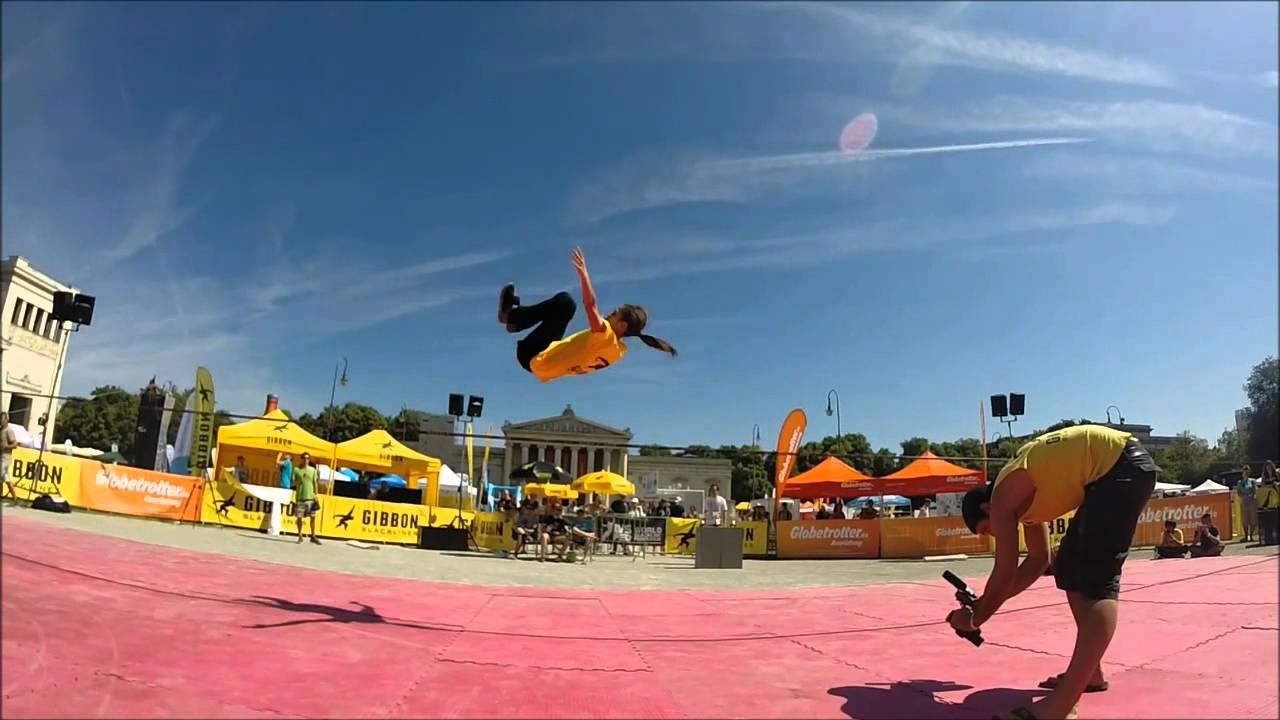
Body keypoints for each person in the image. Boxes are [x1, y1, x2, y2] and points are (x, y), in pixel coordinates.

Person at [956, 425, 1157, 720]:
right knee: (1069, 565)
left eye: (988, 529)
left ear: (987, 508)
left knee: (1096, 577)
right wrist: (984, 603)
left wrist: (974, 618)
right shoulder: (1025, 503)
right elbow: (1039, 560)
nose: (995, 535)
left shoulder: (1003, 496)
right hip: (1117, 467)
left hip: (1119, 466)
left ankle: (1060, 706)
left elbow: (1005, 570)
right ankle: (1092, 673)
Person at [497, 247, 676, 383]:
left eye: (615, 314)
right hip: (543, 365)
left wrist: (584, 276)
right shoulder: (617, 352)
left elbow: (590, 306)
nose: (608, 314)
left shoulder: (606, 338)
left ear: (622, 326)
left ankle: (512, 316)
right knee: (564, 309)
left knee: (566, 303)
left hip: (533, 355)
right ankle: (514, 321)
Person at [291, 452, 321, 545]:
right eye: (304, 458)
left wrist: (316, 494)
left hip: (310, 497)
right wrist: (298, 481)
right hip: (300, 496)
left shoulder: (312, 470)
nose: (306, 460)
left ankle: (313, 535)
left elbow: (315, 482)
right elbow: (293, 483)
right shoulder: (296, 470)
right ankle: (300, 535)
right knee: (299, 517)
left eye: (308, 458)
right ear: (301, 459)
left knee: (312, 517)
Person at [1258, 461, 1279, 546]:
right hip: (1268, 500)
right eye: (1267, 467)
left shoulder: (1276, 473)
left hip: (1276, 496)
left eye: (1270, 466)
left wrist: (1275, 484)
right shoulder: (1264, 475)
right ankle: (1269, 538)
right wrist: (1268, 486)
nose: (1268, 468)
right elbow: (1263, 485)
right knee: (1269, 521)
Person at [1, 413, 19, 504]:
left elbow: (15, 444)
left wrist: (5, 446)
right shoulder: (1, 430)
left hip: (5, 459)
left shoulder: (9, 431)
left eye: (2, 419)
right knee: (7, 480)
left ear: (6, 419)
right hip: (2, 458)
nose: (0, 421)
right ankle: (15, 499)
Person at [1237, 464, 1257, 543]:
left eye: (1247, 470)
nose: (1245, 472)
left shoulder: (1252, 481)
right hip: (1244, 502)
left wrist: (1251, 496)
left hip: (1252, 501)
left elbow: (1255, 490)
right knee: (1245, 520)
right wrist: (1243, 497)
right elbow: (1239, 492)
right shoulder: (1240, 482)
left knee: (1253, 519)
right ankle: (1246, 536)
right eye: (1244, 470)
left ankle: (1251, 535)